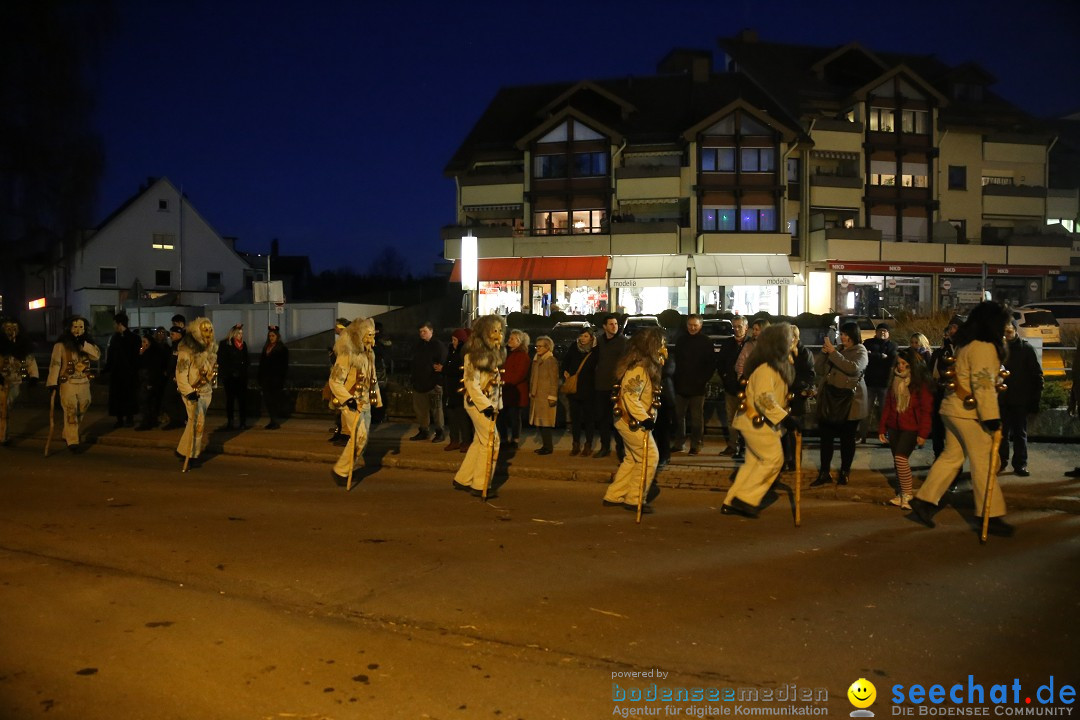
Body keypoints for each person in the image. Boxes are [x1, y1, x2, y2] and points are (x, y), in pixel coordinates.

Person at [908, 302, 1014, 537]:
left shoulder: (966, 344)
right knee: (984, 462)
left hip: (953, 408)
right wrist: (992, 419)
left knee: (951, 457)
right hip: (969, 413)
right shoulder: (984, 347)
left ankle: (925, 502)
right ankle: (991, 514)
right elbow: (984, 385)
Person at [721, 323, 798, 518]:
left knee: (753, 464)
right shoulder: (767, 368)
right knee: (773, 459)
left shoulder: (775, 365)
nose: (793, 342)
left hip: (760, 422)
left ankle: (731, 501)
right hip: (757, 422)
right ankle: (746, 498)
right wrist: (785, 418)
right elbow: (764, 398)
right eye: (790, 339)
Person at [602, 327, 665, 513]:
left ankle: (615, 494)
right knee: (649, 457)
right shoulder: (638, 369)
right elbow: (631, 396)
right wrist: (645, 419)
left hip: (628, 419)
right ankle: (635, 499)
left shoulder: (641, 366)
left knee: (632, 458)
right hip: (632, 421)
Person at [811, 321, 868, 487]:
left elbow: (853, 368)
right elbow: (820, 369)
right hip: (830, 400)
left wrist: (833, 353)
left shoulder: (860, 351)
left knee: (847, 439)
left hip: (850, 403)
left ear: (852, 335)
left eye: (844, 334)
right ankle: (824, 472)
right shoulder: (838, 350)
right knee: (826, 439)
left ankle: (844, 472)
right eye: (841, 334)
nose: (841, 337)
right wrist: (823, 353)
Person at [454, 315, 506, 498]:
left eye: (500, 330)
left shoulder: (495, 352)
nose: (498, 334)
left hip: (489, 405)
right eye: (494, 330)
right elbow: (471, 384)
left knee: (480, 441)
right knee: (492, 442)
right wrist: (486, 406)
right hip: (478, 404)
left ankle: (463, 478)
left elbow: (496, 382)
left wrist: (496, 404)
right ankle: (480, 484)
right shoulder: (472, 355)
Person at [878, 348, 933, 509]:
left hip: (911, 427)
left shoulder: (920, 384)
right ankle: (901, 493)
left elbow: (926, 409)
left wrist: (923, 433)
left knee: (901, 459)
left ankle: (908, 494)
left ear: (913, 366)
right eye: (899, 363)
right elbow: (888, 405)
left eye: (905, 364)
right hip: (895, 426)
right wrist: (882, 428)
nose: (901, 367)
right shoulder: (895, 380)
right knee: (898, 461)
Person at [328, 318, 381, 484]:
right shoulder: (347, 353)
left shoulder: (370, 353)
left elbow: (373, 379)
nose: (371, 338)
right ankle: (341, 471)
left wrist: (376, 400)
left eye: (373, 335)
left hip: (365, 403)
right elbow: (334, 381)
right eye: (368, 335)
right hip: (352, 404)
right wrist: (348, 400)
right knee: (359, 437)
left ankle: (345, 469)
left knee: (362, 440)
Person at [46, 315, 100, 452]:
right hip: (68, 383)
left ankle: (67, 432)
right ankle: (73, 441)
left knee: (84, 405)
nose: (77, 330)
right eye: (75, 327)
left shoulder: (87, 344)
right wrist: (52, 382)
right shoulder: (61, 345)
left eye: (81, 327)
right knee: (70, 410)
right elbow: (55, 364)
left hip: (83, 382)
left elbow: (96, 356)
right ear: (69, 328)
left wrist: (84, 345)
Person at [998, 318, 1042, 477]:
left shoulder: (1026, 349)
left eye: (1009, 330)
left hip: (1019, 399)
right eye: (1004, 331)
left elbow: (1036, 375)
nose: (1007, 334)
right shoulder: (999, 350)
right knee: (1001, 434)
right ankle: (1000, 462)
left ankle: (1020, 463)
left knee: (1020, 433)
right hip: (1002, 399)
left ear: (1015, 330)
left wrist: (1034, 399)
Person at [175, 317, 217, 467]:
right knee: (197, 423)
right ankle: (192, 455)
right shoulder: (186, 351)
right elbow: (180, 374)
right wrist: (188, 392)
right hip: (193, 392)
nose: (208, 333)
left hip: (205, 392)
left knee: (195, 423)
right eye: (205, 330)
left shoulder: (209, 349)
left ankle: (183, 450)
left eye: (210, 330)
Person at [671, 314, 715, 456]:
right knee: (679, 417)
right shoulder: (681, 340)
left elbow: (710, 365)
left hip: (698, 386)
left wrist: (703, 380)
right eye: (690, 325)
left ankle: (696, 444)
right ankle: (679, 443)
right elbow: (676, 361)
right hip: (681, 385)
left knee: (697, 419)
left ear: (700, 326)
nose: (692, 328)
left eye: (695, 325)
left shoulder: (706, 342)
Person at [591, 314, 627, 459]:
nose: (614, 326)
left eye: (616, 324)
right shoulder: (599, 341)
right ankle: (604, 446)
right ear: (605, 327)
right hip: (601, 386)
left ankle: (621, 449)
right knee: (603, 418)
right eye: (611, 324)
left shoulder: (623, 342)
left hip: (617, 386)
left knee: (618, 419)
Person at [0, 316, 40, 444]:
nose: (10, 331)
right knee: (2, 409)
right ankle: (3, 436)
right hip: (1, 382)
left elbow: (30, 361)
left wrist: (34, 376)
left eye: (13, 328)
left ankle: (3, 434)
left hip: (15, 381)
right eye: (8, 328)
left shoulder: (23, 345)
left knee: (7, 408)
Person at [781, 325, 815, 472]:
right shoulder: (782, 353)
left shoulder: (804, 353)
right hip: (782, 396)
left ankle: (795, 461)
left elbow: (809, 375)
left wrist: (799, 387)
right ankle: (783, 460)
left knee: (795, 431)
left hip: (796, 396)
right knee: (782, 431)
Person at [928, 316, 963, 458]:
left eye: (956, 327)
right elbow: (934, 371)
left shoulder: (966, 349)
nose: (952, 331)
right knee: (938, 428)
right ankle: (938, 455)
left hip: (959, 396)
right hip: (941, 394)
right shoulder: (942, 350)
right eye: (950, 327)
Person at [560, 327, 597, 456]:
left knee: (588, 419)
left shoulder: (595, 350)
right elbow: (565, 361)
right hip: (574, 389)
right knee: (575, 418)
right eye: (581, 336)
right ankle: (575, 444)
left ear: (591, 337)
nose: (583, 339)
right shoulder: (574, 347)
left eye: (586, 336)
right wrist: (564, 371)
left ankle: (588, 444)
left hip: (589, 389)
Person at [717, 315, 749, 456]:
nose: (736, 329)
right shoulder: (728, 344)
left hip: (747, 389)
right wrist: (725, 378)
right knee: (731, 418)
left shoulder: (750, 344)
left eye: (739, 326)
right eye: (734, 327)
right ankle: (732, 444)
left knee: (745, 419)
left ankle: (744, 446)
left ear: (746, 327)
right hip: (731, 388)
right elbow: (721, 363)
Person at [410, 321, 446, 442]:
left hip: (433, 383)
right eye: (420, 331)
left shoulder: (438, 345)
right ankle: (424, 430)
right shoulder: (418, 345)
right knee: (421, 410)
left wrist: (438, 382)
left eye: (424, 331)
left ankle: (440, 432)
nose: (422, 334)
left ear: (431, 331)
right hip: (419, 383)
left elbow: (442, 363)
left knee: (436, 409)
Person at [861, 323, 898, 443]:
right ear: (876, 332)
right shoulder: (868, 343)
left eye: (885, 331)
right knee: (865, 411)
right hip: (869, 382)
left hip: (884, 383)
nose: (882, 333)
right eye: (880, 331)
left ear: (889, 333)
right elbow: (865, 357)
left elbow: (892, 360)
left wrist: (873, 356)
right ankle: (861, 435)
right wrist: (881, 357)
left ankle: (884, 435)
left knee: (884, 412)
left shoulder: (893, 345)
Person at [105, 311, 141, 428]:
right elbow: (111, 356)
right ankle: (120, 418)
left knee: (128, 396)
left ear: (119, 324)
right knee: (118, 397)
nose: (114, 326)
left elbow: (135, 357)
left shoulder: (133, 338)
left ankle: (128, 418)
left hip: (128, 373)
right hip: (118, 374)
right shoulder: (115, 338)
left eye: (115, 323)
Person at [499, 329, 531, 449]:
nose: (509, 340)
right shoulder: (507, 353)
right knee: (502, 417)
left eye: (512, 338)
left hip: (515, 391)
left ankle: (515, 439)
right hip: (505, 390)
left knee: (514, 417)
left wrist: (504, 381)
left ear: (519, 341)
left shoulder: (522, 356)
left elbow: (519, 374)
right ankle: (503, 439)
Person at [442, 328, 472, 452]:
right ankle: (454, 440)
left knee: (462, 417)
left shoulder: (464, 353)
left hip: (459, 389)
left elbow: (460, 369)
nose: (453, 342)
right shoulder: (452, 351)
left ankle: (466, 441)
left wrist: (445, 369)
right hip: (450, 388)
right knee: (452, 416)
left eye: (455, 340)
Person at [529, 335, 559, 455]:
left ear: (547, 347)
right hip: (538, 395)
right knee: (540, 422)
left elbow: (554, 380)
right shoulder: (537, 360)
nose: (537, 348)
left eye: (540, 346)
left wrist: (552, 396)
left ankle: (548, 447)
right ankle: (545, 445)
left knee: (546, 422)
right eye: (537, 346)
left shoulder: (550, 361)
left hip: (545, 396)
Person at [218, 323, 250, 430]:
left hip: (241, 377)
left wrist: (244, 371)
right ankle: (230, 421)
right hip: (230, 378)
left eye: (241, 333)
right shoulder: (225, 344)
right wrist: (230, 372)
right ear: (233, 334)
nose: (240, 335)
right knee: (230, 400)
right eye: (238, 333)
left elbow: (246, 360)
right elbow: (222, 360)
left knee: (242, 401)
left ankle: (242, 422)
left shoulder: (243, 345)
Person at [257, 325, 289, 429]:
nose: (271, 338)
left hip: (276, 379)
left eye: (273, 336)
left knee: (274, 400)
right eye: (270, 336)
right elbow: (261, 363)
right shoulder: (266, 347)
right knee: (268, 400)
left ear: (277, 336)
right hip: (266, 379)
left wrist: (281, 379)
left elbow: (284, 366)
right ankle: (272, 419)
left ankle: (275, 421)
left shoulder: (282, 349)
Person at [135, 330, 167, 431]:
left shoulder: (154, 353)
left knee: (146, 402)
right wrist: (140, 354)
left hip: (150, 380)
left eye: (145, 342)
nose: (143, 344)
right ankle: (151, 421)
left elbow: (154, 368)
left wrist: (150, 382)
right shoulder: (146, 352)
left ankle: (147, 422)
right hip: (146, 380)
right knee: (148, 402)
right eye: (142, 342)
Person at [327, 318, 350, 445]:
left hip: (342, 378)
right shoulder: (342, 341)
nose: (334, 328)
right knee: (339, 407)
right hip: (338, 377)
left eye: (336, 326)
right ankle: (340, 431)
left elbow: (341, 361)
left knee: (343, 407)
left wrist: (332, 356)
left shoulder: (346, 342)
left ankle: (345, 433)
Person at [161, 326, 186, 429]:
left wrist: (174, 374)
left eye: (173, 334)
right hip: (174, 375)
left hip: (177, 376)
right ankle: (179, 419)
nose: (170, 336)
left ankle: (177, 420)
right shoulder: (175, 345)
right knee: (176, 399)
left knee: (169, 398)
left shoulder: (181, 346)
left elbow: (179, 362)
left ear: (179, 334)